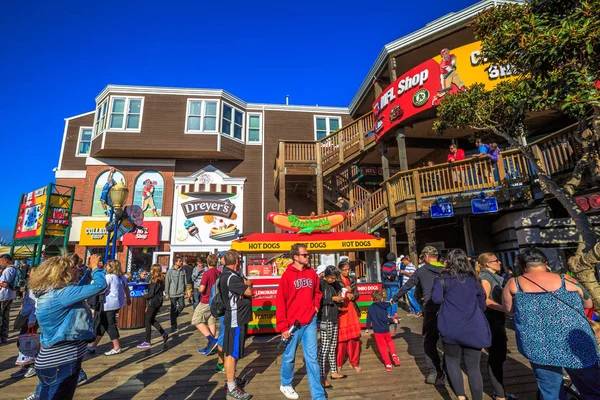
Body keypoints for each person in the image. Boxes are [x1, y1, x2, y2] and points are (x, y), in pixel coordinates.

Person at [503, 248, 600, 400]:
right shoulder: (567, 280)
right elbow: (588, 304)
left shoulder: (513, 284)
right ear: (546, 263)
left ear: (522, 267)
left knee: (551, 392)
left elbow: (508, 310)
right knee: (592, 390)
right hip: (575, 343)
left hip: (540, 344)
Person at [29, 253, 106, 399]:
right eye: (73, 268)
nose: (77, 269)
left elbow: (78, 290)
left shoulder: (51, 292)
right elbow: (100, 285)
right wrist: (96, 268)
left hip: (51, 359)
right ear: (62, 273)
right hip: (62, 361)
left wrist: (88, 272)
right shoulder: (62, 294)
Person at [432, 249, 491, 400]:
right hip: (473, 326)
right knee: (473, 368)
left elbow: (437, 299)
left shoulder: (442, 279)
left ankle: (460, 396)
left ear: (448, 261)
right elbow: (482, 306)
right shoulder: (474, 280)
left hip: (451, 326)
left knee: (452, 361)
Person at [276, 244, 325, 400]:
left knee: (312, 359)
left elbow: (318, 292)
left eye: (308, 254)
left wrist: (316, 306)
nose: (308, 256)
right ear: (296, 257)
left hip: (310, 321)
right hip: (292, 325)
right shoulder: (287, 276)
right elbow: (280, 302)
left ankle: (318, 395)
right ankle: (285, 383)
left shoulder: (312, 273)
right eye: (305, 255)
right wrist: (283, 327)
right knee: (289, 356)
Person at [392, 246, 445, 384]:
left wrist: (395, 298)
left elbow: (407, 286)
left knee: (429, 340)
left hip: (430, 308)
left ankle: (434, 372)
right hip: (447, 308)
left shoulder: (421, 271)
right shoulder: (446, 269)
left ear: (426, 257)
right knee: (448, 342)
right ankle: (449, 372)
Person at [478, 253, 516, 400]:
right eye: (496, 260)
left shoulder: (493, 277)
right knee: (496, 358)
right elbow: (485, 300)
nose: (499, 262)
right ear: (487, 264)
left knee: (498, 357)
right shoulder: (485, 278)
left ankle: (500, 393)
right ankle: (499, 395)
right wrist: (505, 309)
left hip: (497, 321)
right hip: (491, 321)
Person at [221, 250, 253, 400]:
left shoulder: (227, 275)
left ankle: (231, 379)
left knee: (232, 353)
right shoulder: (232, 278)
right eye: (239, 260)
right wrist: (248, 285)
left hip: (234, 318)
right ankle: (231, 387)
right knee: (232, 354)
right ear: (237, 262)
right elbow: (249, 291)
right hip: (236, 319)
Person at [89, 260, 130, 356]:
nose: (105, 268)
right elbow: (126, 288)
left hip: (107, 304)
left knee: (110, 325)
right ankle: (94, 346)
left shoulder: (109, 277)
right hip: (116, 303)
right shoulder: (122, 277)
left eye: (107, 266)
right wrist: (128, 299)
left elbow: (101, 288)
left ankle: (116, 347)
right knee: (103, 324)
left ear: (111, 267)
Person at [318, 265, 346, 389]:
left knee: (333, 345)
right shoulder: (321, 284)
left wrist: (340, 296)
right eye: (331, 278)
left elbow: (341, 289)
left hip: (334, 317)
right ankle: (321, 376)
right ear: (326, 275)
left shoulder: (335, 284)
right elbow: (318, 300)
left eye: (335, 278)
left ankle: (334, 371)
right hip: (325, 318)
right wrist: (332, 299)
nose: (333, 280)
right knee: (324, 347)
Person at [11, 266, 37, 379]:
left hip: (31, 318)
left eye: (31, 273)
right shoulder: (31, 286)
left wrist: (32, 320)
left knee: (29, 342)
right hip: (26, 316)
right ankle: (25, 365)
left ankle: (32, 365)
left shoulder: (38, 287)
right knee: (22, 341)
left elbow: (36, 305)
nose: (29, 276)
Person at [365, 290, 400, 372]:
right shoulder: (383, 306)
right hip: (385, 329)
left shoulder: (370, 308)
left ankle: (388, 364)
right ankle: (394, 355)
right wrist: (394, 320)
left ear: (371, 299)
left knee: (382, 347)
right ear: (381, 299)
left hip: (377, 331)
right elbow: (385, 317)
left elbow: (368, 319)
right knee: (389, 341)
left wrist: (367, 328)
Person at [336, 259, 362, 373]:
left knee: (354, 339)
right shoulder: (336, 280)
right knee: (341, 340)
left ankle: (354, 362)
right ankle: (338, 363)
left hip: (351, 308)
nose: (346, 272)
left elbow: (357, 294)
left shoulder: (352, 279)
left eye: (348, 269)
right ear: (339, 270)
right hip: (341, 310)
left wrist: (353, 295)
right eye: (344, 270)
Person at [193, 254, 221, 356]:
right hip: (216, 301)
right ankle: (211, 346)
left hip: (206, 300)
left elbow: (202, 288)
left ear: (208, 262)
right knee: (211, 322)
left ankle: (211, 340)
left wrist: (198, 289)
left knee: (196, 320)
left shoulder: (207, 273)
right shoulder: (219, 273)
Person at [137, 264, 168, 348]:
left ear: (154, 271)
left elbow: (151, 294)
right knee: (152, 319)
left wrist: (143, 296)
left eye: (151, 269)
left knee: (147, 321)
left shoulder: (155, 280)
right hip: (158, 302)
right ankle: (163, 333)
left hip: (153, 302)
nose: (150, 271)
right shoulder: (161, 279)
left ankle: (147, 341)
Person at [165, 257, 187, 332]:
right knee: (173, 308)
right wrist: (167, 293)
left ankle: (173, 317)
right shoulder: (170, 271)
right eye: (179, 261)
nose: (181, 262)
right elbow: (167, 282)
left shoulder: (182, 270)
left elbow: (185, 281)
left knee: (182, 305)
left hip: (181, 293)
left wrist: (185, 290)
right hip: (172, 293)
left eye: (181, 261)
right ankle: (173, 325)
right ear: (175, 262)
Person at [0, 254, 17, 344]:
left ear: (5, 261)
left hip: (3, 296)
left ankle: (1, 337)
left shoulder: (7, 270)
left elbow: (5, 284)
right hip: (10, 295)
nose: (0, 263)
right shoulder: (14, 268)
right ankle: (4, 337)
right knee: (5, 317)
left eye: (1, 261)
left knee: (1, 317)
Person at [381, 253, 400, 326]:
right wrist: (391, 276)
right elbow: (394, 274)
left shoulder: (385, 265)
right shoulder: (393, 265)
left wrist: (387, 276)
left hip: (387, 284)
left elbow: (383, 275)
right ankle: (393, 315)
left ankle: (388, 314)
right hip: (393, 284)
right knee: (394, 299)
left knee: (388, 299)